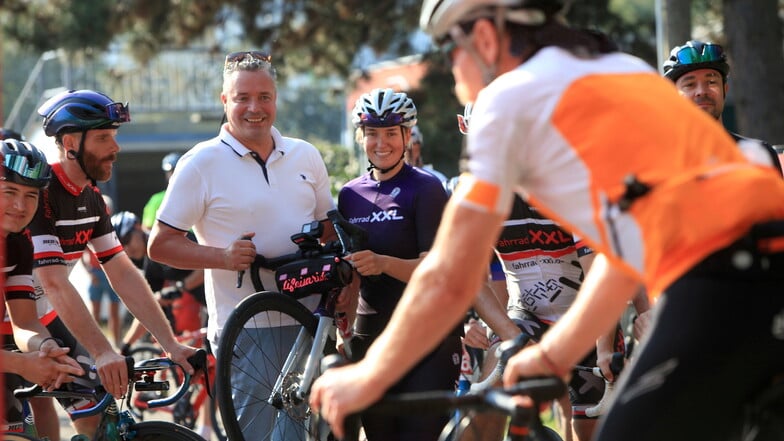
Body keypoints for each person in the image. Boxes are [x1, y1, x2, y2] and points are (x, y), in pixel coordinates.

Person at [310, 2, 784, 441]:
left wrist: (368, 378)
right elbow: (620, 252)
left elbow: (451, 274)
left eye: (450, 47)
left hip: (720, 278)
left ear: (484, 37)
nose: (450, 66)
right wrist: (555, 355)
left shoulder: (509, 99)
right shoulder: (618, 69)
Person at [146, 50, 337, 440]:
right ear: (224, 101)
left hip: (311, 322)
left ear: (276, 99)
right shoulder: (201, 162)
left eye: (264, 97)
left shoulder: (306, 154)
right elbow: (160, 244)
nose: (255, 108)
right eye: (242, 98)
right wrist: (222, 257)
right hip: (246, 329)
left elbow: (329, 227)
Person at [31, 88, 198, 438]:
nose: (116, 148)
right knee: (32, 416)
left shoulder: (92, 199)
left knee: (97, 416)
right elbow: (55, 282)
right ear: (71, 142)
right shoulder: (39, 194)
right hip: (16, 324)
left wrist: (170, 344)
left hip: (44, 318)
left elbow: (123, 272)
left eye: (115, 136)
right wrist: (103, 351)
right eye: (104, 137)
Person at [339, 88, 459, 440]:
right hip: (371, 332)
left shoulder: (426, 188)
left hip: (427, 335)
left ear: (407, 136)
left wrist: (384, 263)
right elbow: (352, 274)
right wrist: (342, 319)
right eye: (372, 133)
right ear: (361, 136)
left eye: (391, 133)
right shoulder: (349, 194)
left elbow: (435, 269)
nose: (382, 143)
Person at [1, 139, 84, 434]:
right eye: (9, 192)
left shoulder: (19, 245)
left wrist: (45, 346)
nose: (20, 206)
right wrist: (21, 365)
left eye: (31, 195)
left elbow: (24, 322)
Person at [663, 40, 783, 175]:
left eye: (711, 82)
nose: (701, 91)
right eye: (690, 84)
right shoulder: (659, 160)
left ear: (725, 89)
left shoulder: (760, 155)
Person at [82, 194, 124, 348]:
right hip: (97, 274)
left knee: (115, 312)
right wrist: (89, 272)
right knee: (95, 313)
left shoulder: (115, 227)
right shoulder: (89, 228)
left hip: (112, 274)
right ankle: (95, 345)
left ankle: (117, 344)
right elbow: (81, 252)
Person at [142, 152, 182, 232]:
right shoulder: (156, 199)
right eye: (171, 171)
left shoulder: (194, 196)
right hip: (167, 241)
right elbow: (147, 228)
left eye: (176, 170)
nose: (173, 174)